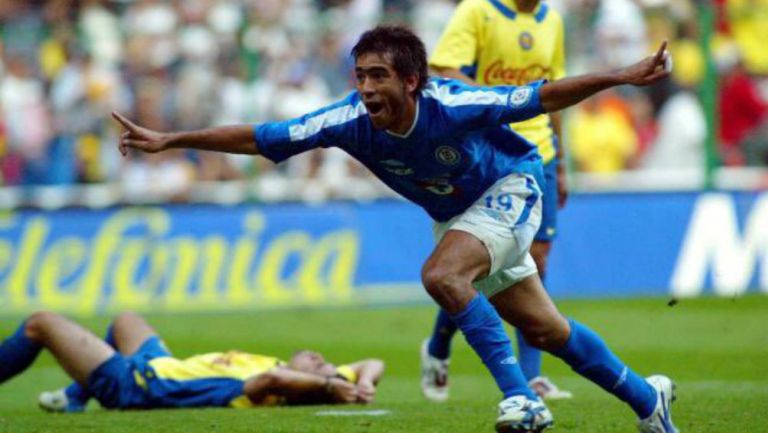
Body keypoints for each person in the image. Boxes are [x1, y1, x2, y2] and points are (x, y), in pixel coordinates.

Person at [110, 25, 677, 433]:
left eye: (379, 76)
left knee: (442, 274)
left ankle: (522, 401)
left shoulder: (453, 103)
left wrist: (624, 76)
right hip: (459, 215)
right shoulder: (347, 120)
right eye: (360, 76)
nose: (366, 88)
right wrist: (170, 140)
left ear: (412, 81)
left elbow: (543, 95)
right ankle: (645, 397)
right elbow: (260, 137)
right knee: (548, 331)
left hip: (512, 186)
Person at [422, 0, 571, 402]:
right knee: (477, 267)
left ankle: (533, 376)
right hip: (492, 149)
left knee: (536, 263)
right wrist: (499, 101)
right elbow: (446, 70)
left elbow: (553, 92)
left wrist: (562, 164)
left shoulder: (552, 21)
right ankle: (437, 345)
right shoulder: (477, 11)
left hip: (540, 153)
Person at [0, 311, 384, 412]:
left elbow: (272, 382)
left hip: (136, 383)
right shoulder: (298, 375)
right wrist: (359, 381)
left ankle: (77, 396)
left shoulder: (268, 389)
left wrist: (329, 385)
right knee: (126, 321)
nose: (320, 358)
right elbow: (373, 362)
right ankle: (74, 399)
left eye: (319, 366)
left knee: (40, 324)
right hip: (161, 363)